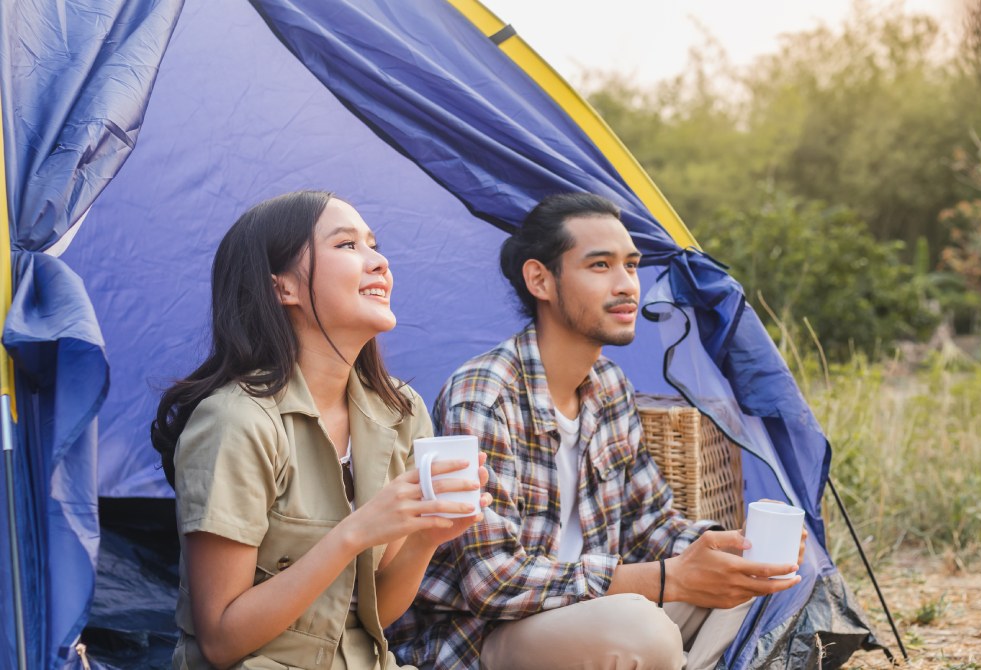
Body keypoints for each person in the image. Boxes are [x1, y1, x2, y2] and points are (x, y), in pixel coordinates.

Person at [388, 193, 805, 670]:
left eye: (631, 265)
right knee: (641, 632)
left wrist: (738, 548)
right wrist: (668, 580)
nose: (627, 284)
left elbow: (653, 526)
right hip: (486, 636)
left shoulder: (609, 387)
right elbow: (493, 581)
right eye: (600, 266)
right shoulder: (483, 395)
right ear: (540, 279)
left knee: (747, 583)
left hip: (589, 611)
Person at [151, 190, 490, 670]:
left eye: (374, 244)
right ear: (283, 288)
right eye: (348, 245)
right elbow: (222, 641)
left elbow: (373, 616)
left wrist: (427, 537)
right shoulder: (237, 421)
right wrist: (352, 534)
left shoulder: (400, 411)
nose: (380, 262)